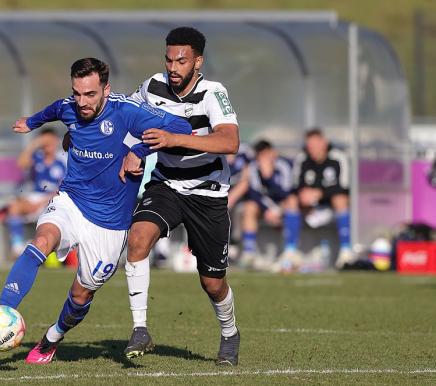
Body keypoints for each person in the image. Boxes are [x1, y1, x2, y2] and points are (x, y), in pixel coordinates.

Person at [0, 57, 191, 365]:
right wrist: (30, 122)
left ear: (106, 90)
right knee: (42, 240)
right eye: (77, 93)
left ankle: (50, 340)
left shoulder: (127, 112)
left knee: (82, 294)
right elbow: (53, 111)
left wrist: (139, 151)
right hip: (72, 200)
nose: (82, 102)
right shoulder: (68, 107)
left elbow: (182, 126)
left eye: (90, 95)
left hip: (110, 224)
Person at [120, 27, 241, 366]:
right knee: (138, 240)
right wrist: (131, 149)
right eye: (169, 59)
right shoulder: (152, 86)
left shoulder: (213, 93)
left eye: (182, 60)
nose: (173, 67)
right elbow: (124, 117)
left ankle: (230, 333)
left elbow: (229, 142)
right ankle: (140, 329)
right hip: (166, 185)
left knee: (213, 282)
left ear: (198, 61)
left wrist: (176, 139)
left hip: (207, 191)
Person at [292, 127, 353, 268]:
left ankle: (346, 252)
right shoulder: (302, 159)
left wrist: (319, 194)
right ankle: (291, 252)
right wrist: (302, 195)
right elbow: (294, 186)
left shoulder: (338, 158)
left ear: (324, 143)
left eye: (315, 145)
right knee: (291, 201)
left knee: (341, 199)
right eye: (309, 146)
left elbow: (344, 187)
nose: (312, 149)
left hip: (330, 210)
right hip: (307, 210)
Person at [240, 140, 302, 272]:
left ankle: (290, 251)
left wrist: (269, 177)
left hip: (281, 205)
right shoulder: (253, 167)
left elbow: (286, 192)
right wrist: (268, 210)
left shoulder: (284, 165)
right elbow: (254, 193)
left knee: (292, 201)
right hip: (265, 207)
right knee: (249, 206)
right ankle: (249, 252)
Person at [6, 128, 66, 256]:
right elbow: (21, 164)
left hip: (55, 198)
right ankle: (17, 248)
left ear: (55, 141)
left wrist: (42, 203)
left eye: (49, 141)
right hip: (36, 197)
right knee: (14, 206)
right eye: (43, 141)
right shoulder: (37, 157)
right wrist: (34, 145)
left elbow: (64, 188)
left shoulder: (63, 159)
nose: (46, 144)